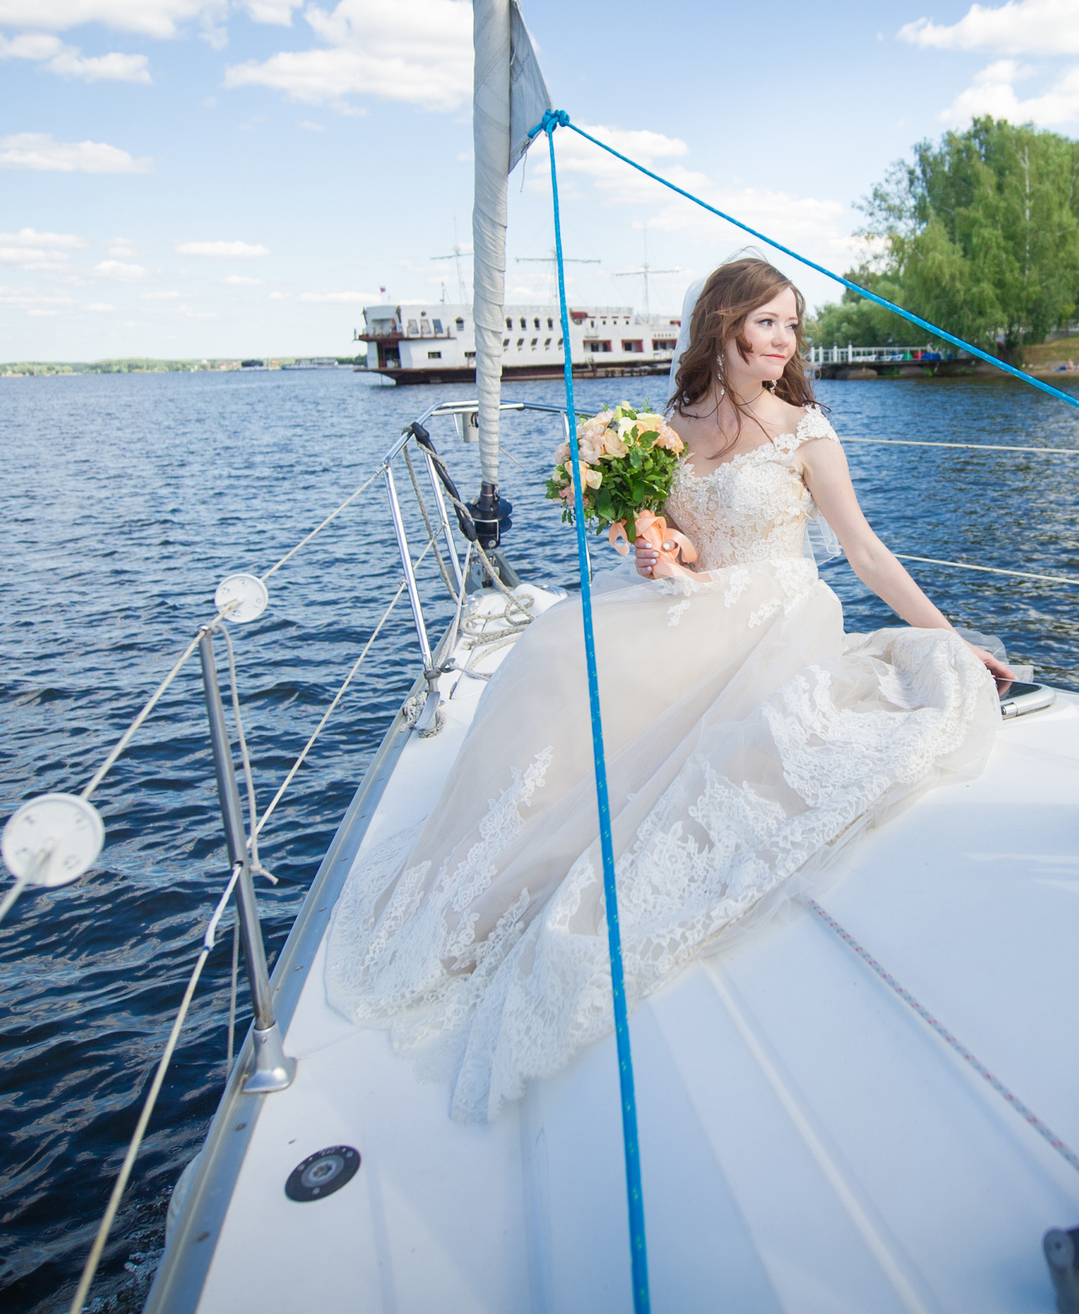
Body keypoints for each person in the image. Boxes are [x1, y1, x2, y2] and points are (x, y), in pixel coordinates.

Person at [325, 255, 1008, 1122]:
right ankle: (495, 859)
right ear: (723, 326)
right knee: (557, 652)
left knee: (679, 733)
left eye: (793, 326)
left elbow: (865, 553)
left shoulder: (807, 432)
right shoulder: (669, 425)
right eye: (770, 322)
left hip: (779, 610)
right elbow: (677, 542)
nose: (786, 340)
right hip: (694, 599)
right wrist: (658, 551)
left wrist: (944, 638)